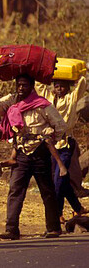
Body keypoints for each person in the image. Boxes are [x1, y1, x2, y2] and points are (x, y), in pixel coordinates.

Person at [0, 72, 66, 240]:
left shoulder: (42, 105)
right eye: (19, 85)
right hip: (21, 152)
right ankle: (11, 229)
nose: (21, 88)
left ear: (32, 87)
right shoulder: (12, 101)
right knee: (15, 190)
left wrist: (49, 140)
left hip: (40, 152)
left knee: (47, 190)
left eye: (25, 85)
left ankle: (53, 228)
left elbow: (60, 126)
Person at [35, 76, 88, 222]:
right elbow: (39, 85)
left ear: (68, 88)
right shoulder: (48, 97)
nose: (59, 89)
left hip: (65, 143)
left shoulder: (72, 98)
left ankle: (57, 213)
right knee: (61, 180)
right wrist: (47, 72)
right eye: (57, 86)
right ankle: (78, 208)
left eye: (63, 86)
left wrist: (79, 74)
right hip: (49, 144)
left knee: (59, 179)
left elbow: (82, 84)